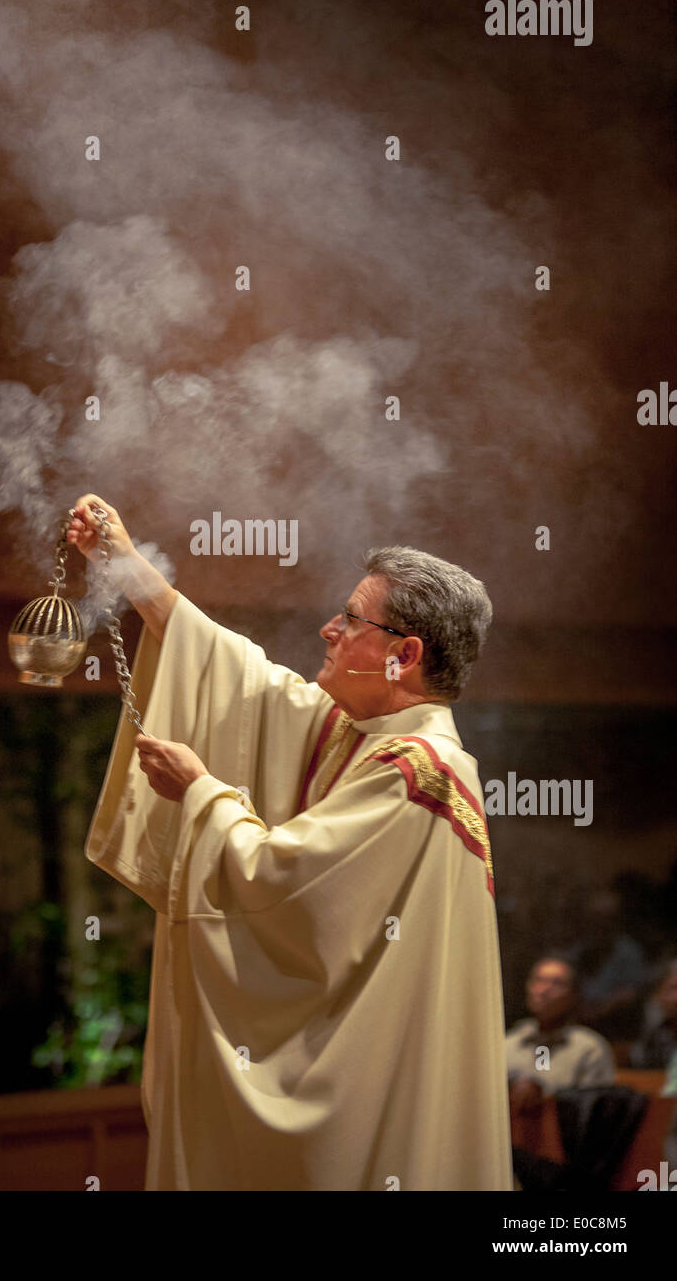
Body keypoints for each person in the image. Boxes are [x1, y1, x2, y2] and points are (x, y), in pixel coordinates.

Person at [69, 494, 513, 1191]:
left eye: (353, 620)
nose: (328, 628)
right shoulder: (361, 735)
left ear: (405, 655)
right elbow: (237, 676)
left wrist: (199, 792)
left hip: (372, 1093)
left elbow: (284, 885)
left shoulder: (420, 774)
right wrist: (127, 569)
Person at [506, 957, 616, 1115]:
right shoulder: (507, 1044)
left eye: (557, 984)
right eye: (538, 980)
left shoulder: (589, 1048)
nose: (544, 990)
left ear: (573, 995)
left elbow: (598, 1110)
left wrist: (544, 1094)